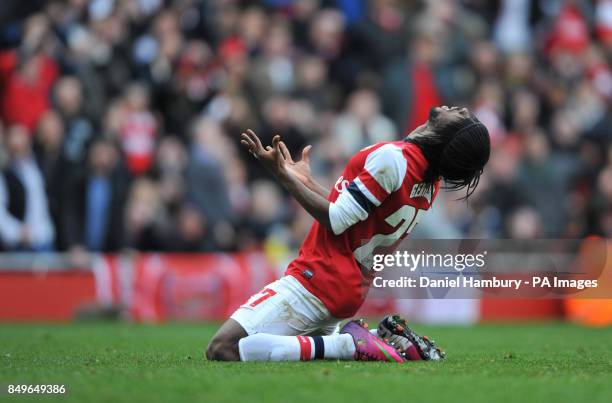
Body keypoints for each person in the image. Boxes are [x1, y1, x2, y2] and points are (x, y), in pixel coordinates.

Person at [206, 106, 490, 362]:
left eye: (463, 116)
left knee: (223, 347)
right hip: (345, 289)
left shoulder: (394, 159)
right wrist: (303, 181)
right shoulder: (428, 181)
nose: (460, 109)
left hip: (317, 279)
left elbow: (337, 220)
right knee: (288, 357)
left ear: (451, 134)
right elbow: (351, 213)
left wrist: (282, 176)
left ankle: (348, 345)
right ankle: (344, 343)